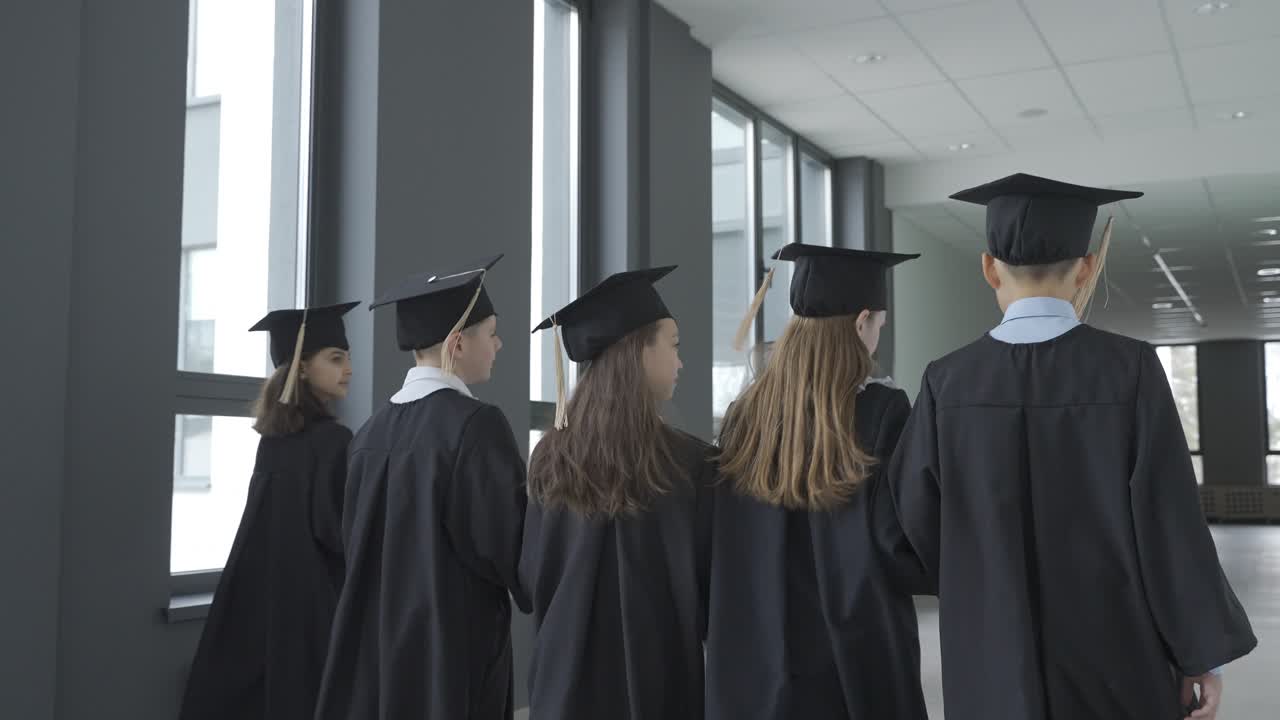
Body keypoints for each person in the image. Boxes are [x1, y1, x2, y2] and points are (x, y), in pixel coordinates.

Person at [888, 173, 1257, 720]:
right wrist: (1201, 654)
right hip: (1115, 650)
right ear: (1086, 266)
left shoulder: (948, 382)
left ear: (989, 268)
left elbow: (913, 517)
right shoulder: (1128, 370)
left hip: (991, 654)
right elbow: (1168, 519)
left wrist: (983, 574)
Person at [707, 243, 928, 720]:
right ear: (860, 321)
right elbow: (896, 544)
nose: (876, 340)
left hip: (759, 652)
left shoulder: (745, 416)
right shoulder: (881, 412)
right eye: (878, 328)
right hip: (851, 653)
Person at [314, 255, 530, 720]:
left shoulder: (370, 433)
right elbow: (508, 546)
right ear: (457, 343)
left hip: (377, 648)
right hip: (450, 648)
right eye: (490, 333)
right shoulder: (476, 425)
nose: (498, 344)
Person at [519, 266, 717, 719]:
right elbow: (714, 591)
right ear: (638, 351)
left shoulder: (549, 458)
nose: (681, 361)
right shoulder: (691, 464)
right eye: (674, 345)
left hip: (562, 682)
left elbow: (532, 579)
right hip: (659, 683)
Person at [179, 301, 359, 720]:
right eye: (336, 358)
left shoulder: (272, 440)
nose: (348, 368)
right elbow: (338, 533)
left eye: (347, 357)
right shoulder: (335, 441)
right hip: (314, 605)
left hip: (263, 601)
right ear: (300, 366)